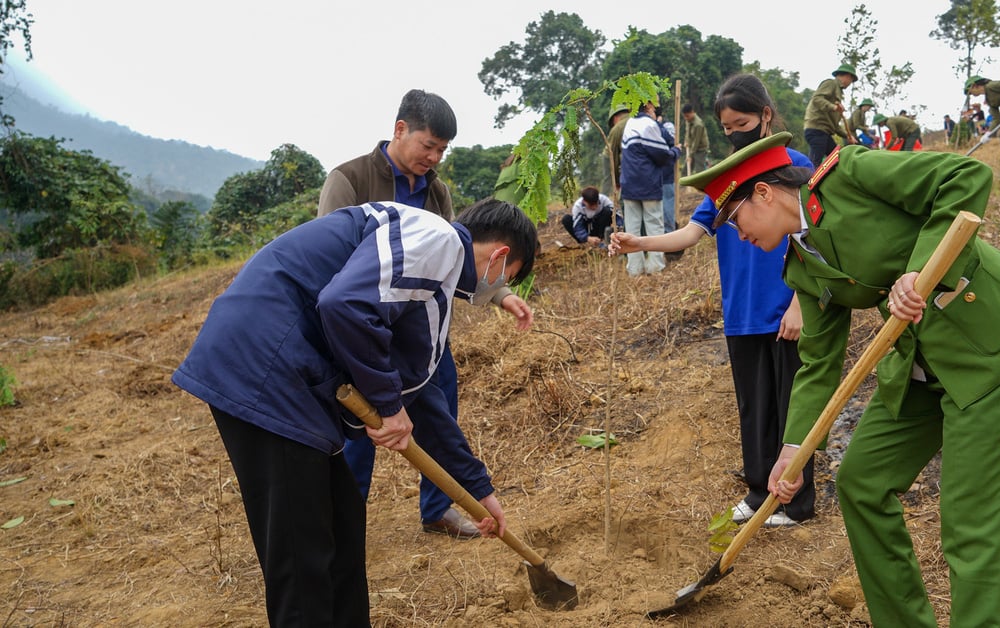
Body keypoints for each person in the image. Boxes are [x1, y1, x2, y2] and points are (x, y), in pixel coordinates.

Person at [680, 131, 1000, 628]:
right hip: (917, 365)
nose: (735, 234)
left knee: (972, 522)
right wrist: (793, 448)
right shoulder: (800, 269)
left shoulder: (850, 174)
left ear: (764, 193)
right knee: (861, 483)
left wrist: (919, 271)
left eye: (735, 219)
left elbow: (966, 177)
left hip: (988, 348)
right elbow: (818, 363)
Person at [171, 198, 538, 625]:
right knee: (302, 555)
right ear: (500, 256)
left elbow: (423, 395)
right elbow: (344, 303)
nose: (496, 289)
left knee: (343, 527)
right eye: (507, 278)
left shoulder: (429, 280)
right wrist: (387, 403)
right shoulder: (437, 241)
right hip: (266, 370)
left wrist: (478, 491)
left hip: (291, 377)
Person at [317, 89, 533, 539]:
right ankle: (345, 516)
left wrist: (500, 295)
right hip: (366, 324)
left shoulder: (437, 192)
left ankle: (439, 508)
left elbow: (460, 261)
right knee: (364, 421)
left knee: (439, 408)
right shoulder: (350, 179)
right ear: (400, 130)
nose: (433, 157)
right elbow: (332, 267)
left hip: (421, 326)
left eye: (442, 150)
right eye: (427, 145)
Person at [609, 73, 818, 527]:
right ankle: (760, 489)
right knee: (753, 407)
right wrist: (640, 244)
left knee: (791, 407)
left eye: (740, 122)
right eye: (725, 128)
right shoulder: (725, 180)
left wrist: (801, 301)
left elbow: (814, 236)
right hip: (741, 311)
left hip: (785, 309)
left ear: (766, 115)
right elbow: (693, 232)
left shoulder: (794, 165)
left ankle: (798, 503)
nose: (733, 133)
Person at [619, 98, 681, 276]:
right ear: (648, 106)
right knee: (654, 226)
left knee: (632, 228)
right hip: (647, 184)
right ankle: (655, 267)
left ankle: (635, 269)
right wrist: (676, 151)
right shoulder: (648, 124)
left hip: (629, 185)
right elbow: (662, 156)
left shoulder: (630, 123)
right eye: (654, 106)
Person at [803, 63, 857, 166]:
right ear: (847, 76)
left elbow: (834, 125)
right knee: (815, 164)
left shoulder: (838, 92)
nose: (850, 83)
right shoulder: (831, 83)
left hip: (825, 132)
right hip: (817, 129)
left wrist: (848, 136)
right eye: (851, 80)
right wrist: (834, 107)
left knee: (837, 160)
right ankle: (809, 181)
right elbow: (816, 99)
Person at [606, 103, 631, 193]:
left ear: (615, 118)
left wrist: (616, 181)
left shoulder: (617, 128)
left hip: (628, 175)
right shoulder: (641, 121)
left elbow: (612, 158)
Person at [682, 103, 710, 175]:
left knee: (699, 171)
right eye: (684, 116)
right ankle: (683, 185)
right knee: (686, 169)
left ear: (692, 112)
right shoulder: (688, 120)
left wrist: (690, 156)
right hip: (692, 148)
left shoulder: (698, 125)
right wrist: (686, 141)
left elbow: (696, 142)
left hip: (700, 149)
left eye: (687, 116)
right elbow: (687, 132)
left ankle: (701, 185)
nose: (686, 118)